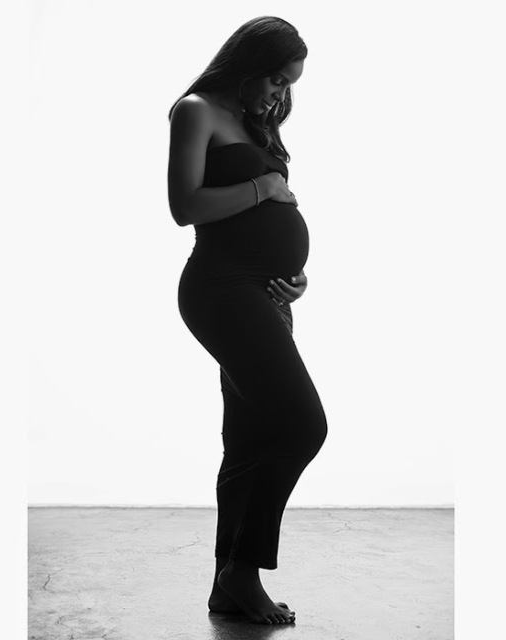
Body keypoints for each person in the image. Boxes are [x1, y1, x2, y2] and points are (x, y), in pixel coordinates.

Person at [167, 16, 328, 625]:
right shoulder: (196, 111)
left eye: (290, 85)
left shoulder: (257, 122)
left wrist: (294, 275)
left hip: (266, 297)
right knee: (303, 425)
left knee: (251, 440)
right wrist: (264, 187)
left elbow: (266, 223)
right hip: (220, 290)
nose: (280, 94)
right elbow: (185, 206)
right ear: (249, 63)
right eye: (276, 79)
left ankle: (225, 586)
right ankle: (243, 568)